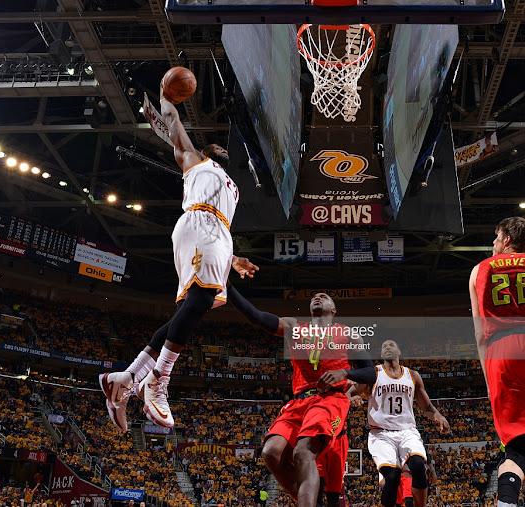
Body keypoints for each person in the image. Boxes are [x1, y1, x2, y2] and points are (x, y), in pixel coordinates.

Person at [99, 71, 258, 430]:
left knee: (190, 311)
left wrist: (232, 259)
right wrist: (166, 97)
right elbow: (170, 123)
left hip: (219, 233)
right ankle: (157, 381)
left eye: (221, 149)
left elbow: (220, 228)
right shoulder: (193, 160)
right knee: (199, 299)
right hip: (198, 223)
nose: (218, 147)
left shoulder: (231, 188)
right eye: (213, 146)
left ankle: (124, 378)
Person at [225, 288, 376, 507]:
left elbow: (369, 373)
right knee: (270, 452)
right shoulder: (294, 327)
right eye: (315, 297)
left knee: (303, 453)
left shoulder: (349, 334)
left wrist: (345, 373)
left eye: (324, 297)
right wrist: (228, 289)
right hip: (298, 401)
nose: (318, 297)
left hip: (329, 399)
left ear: (333, 309)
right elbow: (257, 317)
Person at [469, 216, 525, 507]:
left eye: (495, 237)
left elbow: (480, 335)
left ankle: (506, 501)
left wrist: (490, 379)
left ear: (506, 241)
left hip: (503, 352)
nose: (492, 243)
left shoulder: (479, 270)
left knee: (516, 447)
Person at [351, 340, 449, 507]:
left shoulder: (412, 375)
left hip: (406, 431)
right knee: (393, 477)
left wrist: (439, 416)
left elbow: (426, 406)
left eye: (391, 345)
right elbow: (352, 390)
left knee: (418, 465)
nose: (388, 348)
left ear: (399, 351)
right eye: (384, 347)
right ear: (381, 355)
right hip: (381, 433)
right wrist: (353, 395)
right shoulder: (374, 373)